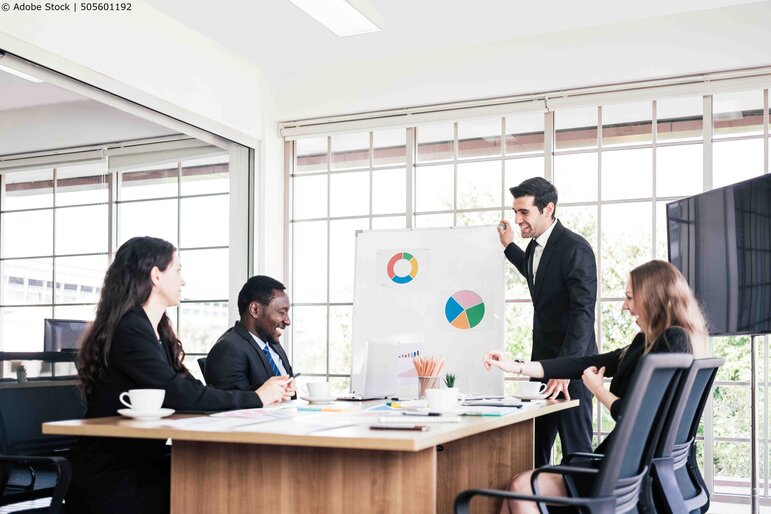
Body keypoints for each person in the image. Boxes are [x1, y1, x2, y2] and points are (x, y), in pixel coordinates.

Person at [69, 237, 294, 514]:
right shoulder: (129, 329)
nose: (183, 281)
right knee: (220, 488)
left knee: (226, 482)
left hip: (144, 463)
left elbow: (190, 386)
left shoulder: (159, 329)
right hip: (114, 474)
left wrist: (256, 397)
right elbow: (176, 392)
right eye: (177, 271)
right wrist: (256, 398)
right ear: (156, 276)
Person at [483, 260, 709, 514]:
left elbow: (633, 415)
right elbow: (583, 363)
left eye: (630, 298)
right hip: (630, 469)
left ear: (654, 298)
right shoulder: (648, 343)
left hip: (623, 473)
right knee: (518, 487)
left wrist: (598, 389)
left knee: (521, 485)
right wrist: (517, 366)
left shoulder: (673, 340)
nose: (625, 306)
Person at [497, 176, 597, 467]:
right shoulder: (533, 248)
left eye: (524, 212)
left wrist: (565, 367)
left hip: (573, 367)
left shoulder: (575, 247)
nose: (518, 220)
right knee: (534, 448)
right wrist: (509, 247)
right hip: (540, 364)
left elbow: (583, 312)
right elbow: (536, 275)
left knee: (576, 452)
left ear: (548, 209)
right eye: (516, 212)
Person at [205, 275, 295, 391]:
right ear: (255, 310)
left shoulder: (272, 344)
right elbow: (236, 403)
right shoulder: (228, 350)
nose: (288, 321)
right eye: (282, 312)